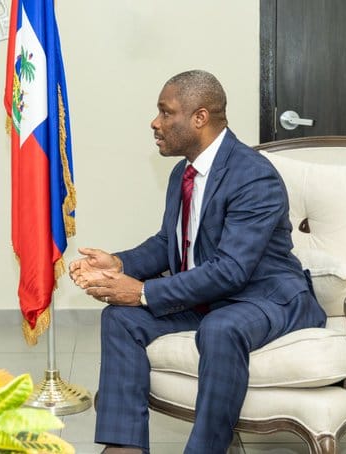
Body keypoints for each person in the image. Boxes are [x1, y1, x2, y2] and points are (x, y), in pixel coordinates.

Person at [68, 70, 326, 454]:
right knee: (120, 318)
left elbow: (231, 270)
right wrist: (119, 264)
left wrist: (143, 292)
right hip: (211, 297)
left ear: (199, 118)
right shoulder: (183, 173)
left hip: (266, 298)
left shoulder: (253, 177)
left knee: (220, 328)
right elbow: (167, 243)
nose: (155, 123)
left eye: (165, 112)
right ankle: (124, 447)